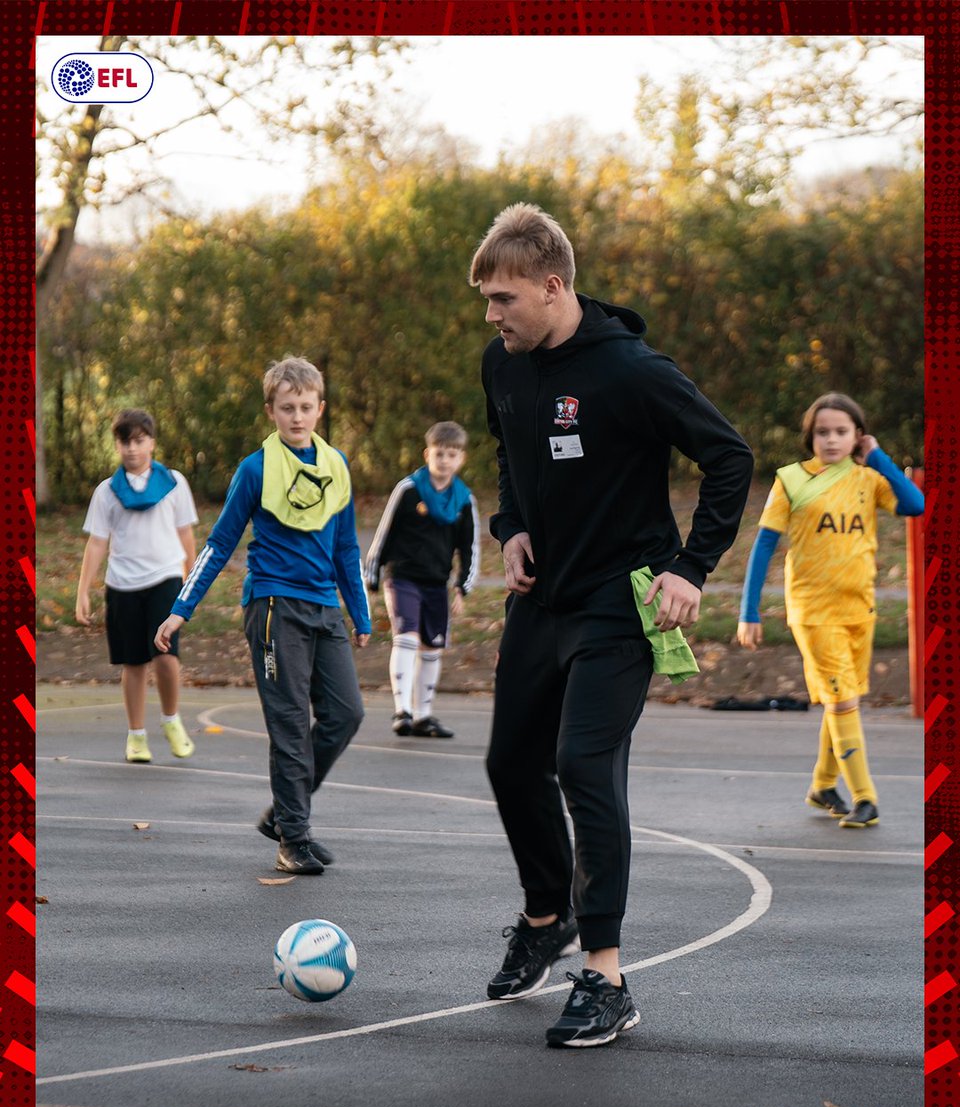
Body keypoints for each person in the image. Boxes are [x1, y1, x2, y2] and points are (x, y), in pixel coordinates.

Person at [469, 202, 754, 1048]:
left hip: (619, 604)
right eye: (486, 298)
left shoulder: (631, 372)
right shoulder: (503, 365)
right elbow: (507, 453)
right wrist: (509, 525)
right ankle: (546, 915)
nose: (491, 314)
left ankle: (606, 975)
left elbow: (729, 456)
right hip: (542, 599)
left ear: (553, 287)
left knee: (582, 763)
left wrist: (689, 568)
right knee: (509, 763)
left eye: (505, 298)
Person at [155, 357, 370, 876]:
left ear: (320, 408)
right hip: (274, 608)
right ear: (271, 411)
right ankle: (293, 837)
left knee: (346, 714)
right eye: (286, 408)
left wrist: (360, 614)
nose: (297, 417)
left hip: (324, 609)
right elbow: (220, 542)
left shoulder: (335, 465)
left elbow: (346, 548)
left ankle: (284, 811)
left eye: (305, 407)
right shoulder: (255, 469)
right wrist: (182, 608)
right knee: (291, 724)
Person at [737, 391, 924, 830]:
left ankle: (823, 785)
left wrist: (878, 458)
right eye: (823, 432)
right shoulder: (791, 481)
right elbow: (764, 547)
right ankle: (865, 797)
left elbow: (914, 504)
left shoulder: (867, 478)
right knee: (843, 700)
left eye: (842, 431)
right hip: (813, 610)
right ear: (810, 437)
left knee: (843, 701)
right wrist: (750, 611)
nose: (832, 439)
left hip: (859, 608)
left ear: (857, 436)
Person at [76, 408, 198, 764]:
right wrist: (83, 590)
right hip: (123, 584)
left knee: (165, 656)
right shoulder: (107, 492)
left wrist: (190, 580)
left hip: (165, 578)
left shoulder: (174, 482)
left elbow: (185, 534)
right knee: (133, 663)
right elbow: (97, 542)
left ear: (152, 443)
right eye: (124, 442)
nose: (132, 449)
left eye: (139, 441)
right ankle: (136, 736)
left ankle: (172, 719)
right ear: (117, 445)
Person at [364, 421, 480, 738]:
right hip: (402, 578)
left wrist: (462, 587)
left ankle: (423, 716)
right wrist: (371, 579)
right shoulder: (408, 490)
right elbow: (383, 534)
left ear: (461, 459)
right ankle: (403, 711)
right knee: (407, 637)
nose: (445, 460)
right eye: (440, 453)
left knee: (432, 647)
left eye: (452, 455)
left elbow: (468, 547)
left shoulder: (464, 501)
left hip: (436, 583)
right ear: (428, 454)